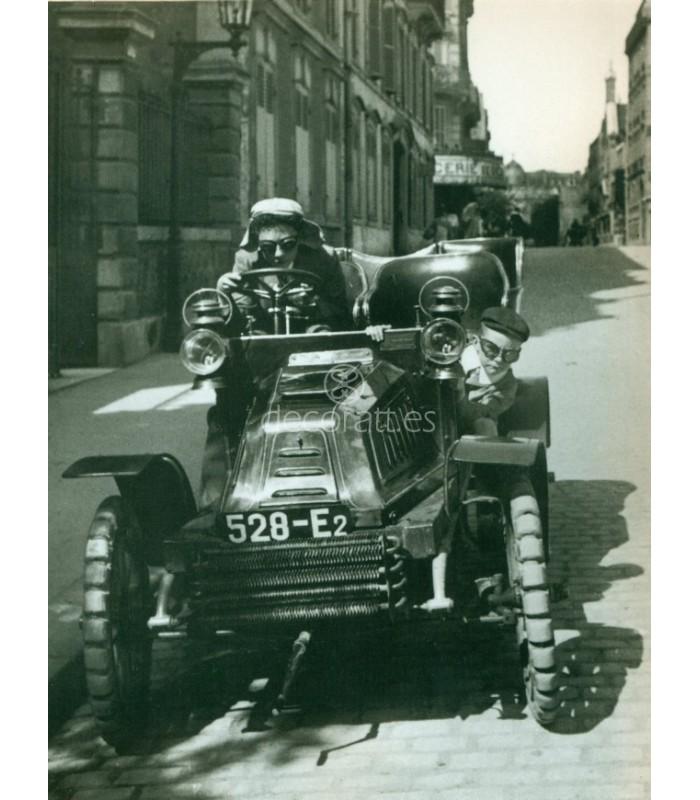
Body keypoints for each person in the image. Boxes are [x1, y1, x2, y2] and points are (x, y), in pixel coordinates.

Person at [217, 197, 353, 334]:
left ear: (300, 238)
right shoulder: (246, 260)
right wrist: (223, 292)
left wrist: (312, 303)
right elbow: (241, 318)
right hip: (264, 332)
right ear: (258, 242)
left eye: (288, 244)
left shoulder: (324, 259)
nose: (278, 254)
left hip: (311, 330)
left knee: (321, 333)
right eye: (268, 247)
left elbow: (340, 311)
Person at [458, 306, 530, 437]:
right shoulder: (456, 355)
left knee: (486, 425)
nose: (498, 360)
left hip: (468, 427)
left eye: (510, 355)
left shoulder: (506, 384)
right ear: (475, 341)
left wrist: (459, 395)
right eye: (491, 349)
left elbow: (485, 411)